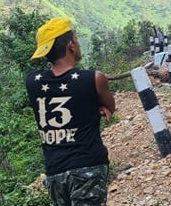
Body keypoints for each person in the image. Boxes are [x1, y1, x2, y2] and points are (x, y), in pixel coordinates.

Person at [25, 17, 116, 206]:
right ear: (71, 45)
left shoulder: (32, 81)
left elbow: (61, 96)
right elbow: (110, 106)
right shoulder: (94, 79)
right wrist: (96, 105)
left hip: (55, 173)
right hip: (88, 168)